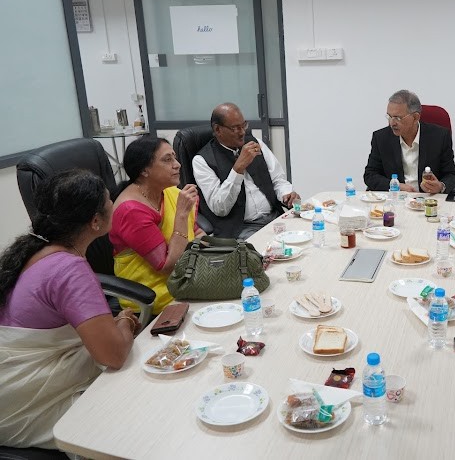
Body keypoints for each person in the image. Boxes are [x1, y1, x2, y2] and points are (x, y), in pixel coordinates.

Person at [0, 170, 139, 449]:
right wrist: (125, 322)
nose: (114, 202)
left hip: (15, 392)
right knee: (136, 407)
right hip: (26, 407)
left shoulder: (36, 250)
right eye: (109, 199)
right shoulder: (69, 269)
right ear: (96, 220)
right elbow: (113, 355)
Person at [110, 136, 204, 315]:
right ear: (144, 170)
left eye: (175, 158)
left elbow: (196, 232)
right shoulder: (130, 211)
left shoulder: (168, 192)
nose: (177, 164)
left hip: (188, 277)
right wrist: (181, 215)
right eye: (167, 160)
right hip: (158, 295)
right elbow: (167, 266)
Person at [192, 103, 299, 238]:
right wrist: (238, 169)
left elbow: (278, 180)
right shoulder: (202, 161)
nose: (242, 132)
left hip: (274, 217)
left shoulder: (256, 143)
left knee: (305, 234)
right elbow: (220, 208)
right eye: (235, 128)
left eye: (244, 125)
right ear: (218, 129)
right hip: (241, 228)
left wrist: (287, 194)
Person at [364, 89, 455, 194]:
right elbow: (370, 175)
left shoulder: (440, 137)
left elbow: (451, 175)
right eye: (389, 117)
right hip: (397, 199)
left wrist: (440, 186)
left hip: (430, 200)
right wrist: (396, 185)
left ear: (415, 117)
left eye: (397, 118)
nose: (392, 123)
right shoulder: (381, 138)